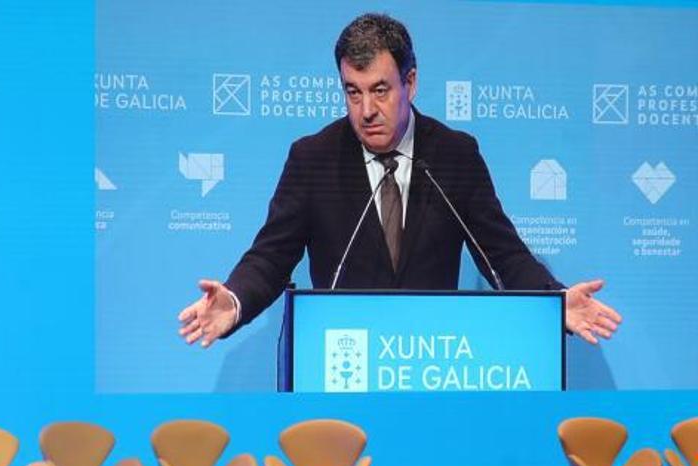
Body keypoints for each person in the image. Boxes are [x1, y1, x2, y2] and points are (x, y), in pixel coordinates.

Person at [178, 13, 621, 348]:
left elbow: (501, 255)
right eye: (353, 91)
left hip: (431, 359)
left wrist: (553, 300)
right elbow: (271, 257)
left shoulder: (454, 155)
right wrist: (234, 301)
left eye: (380, 90)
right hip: (340, 358)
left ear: (410, 81)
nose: (366, 109)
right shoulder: (313, 158)